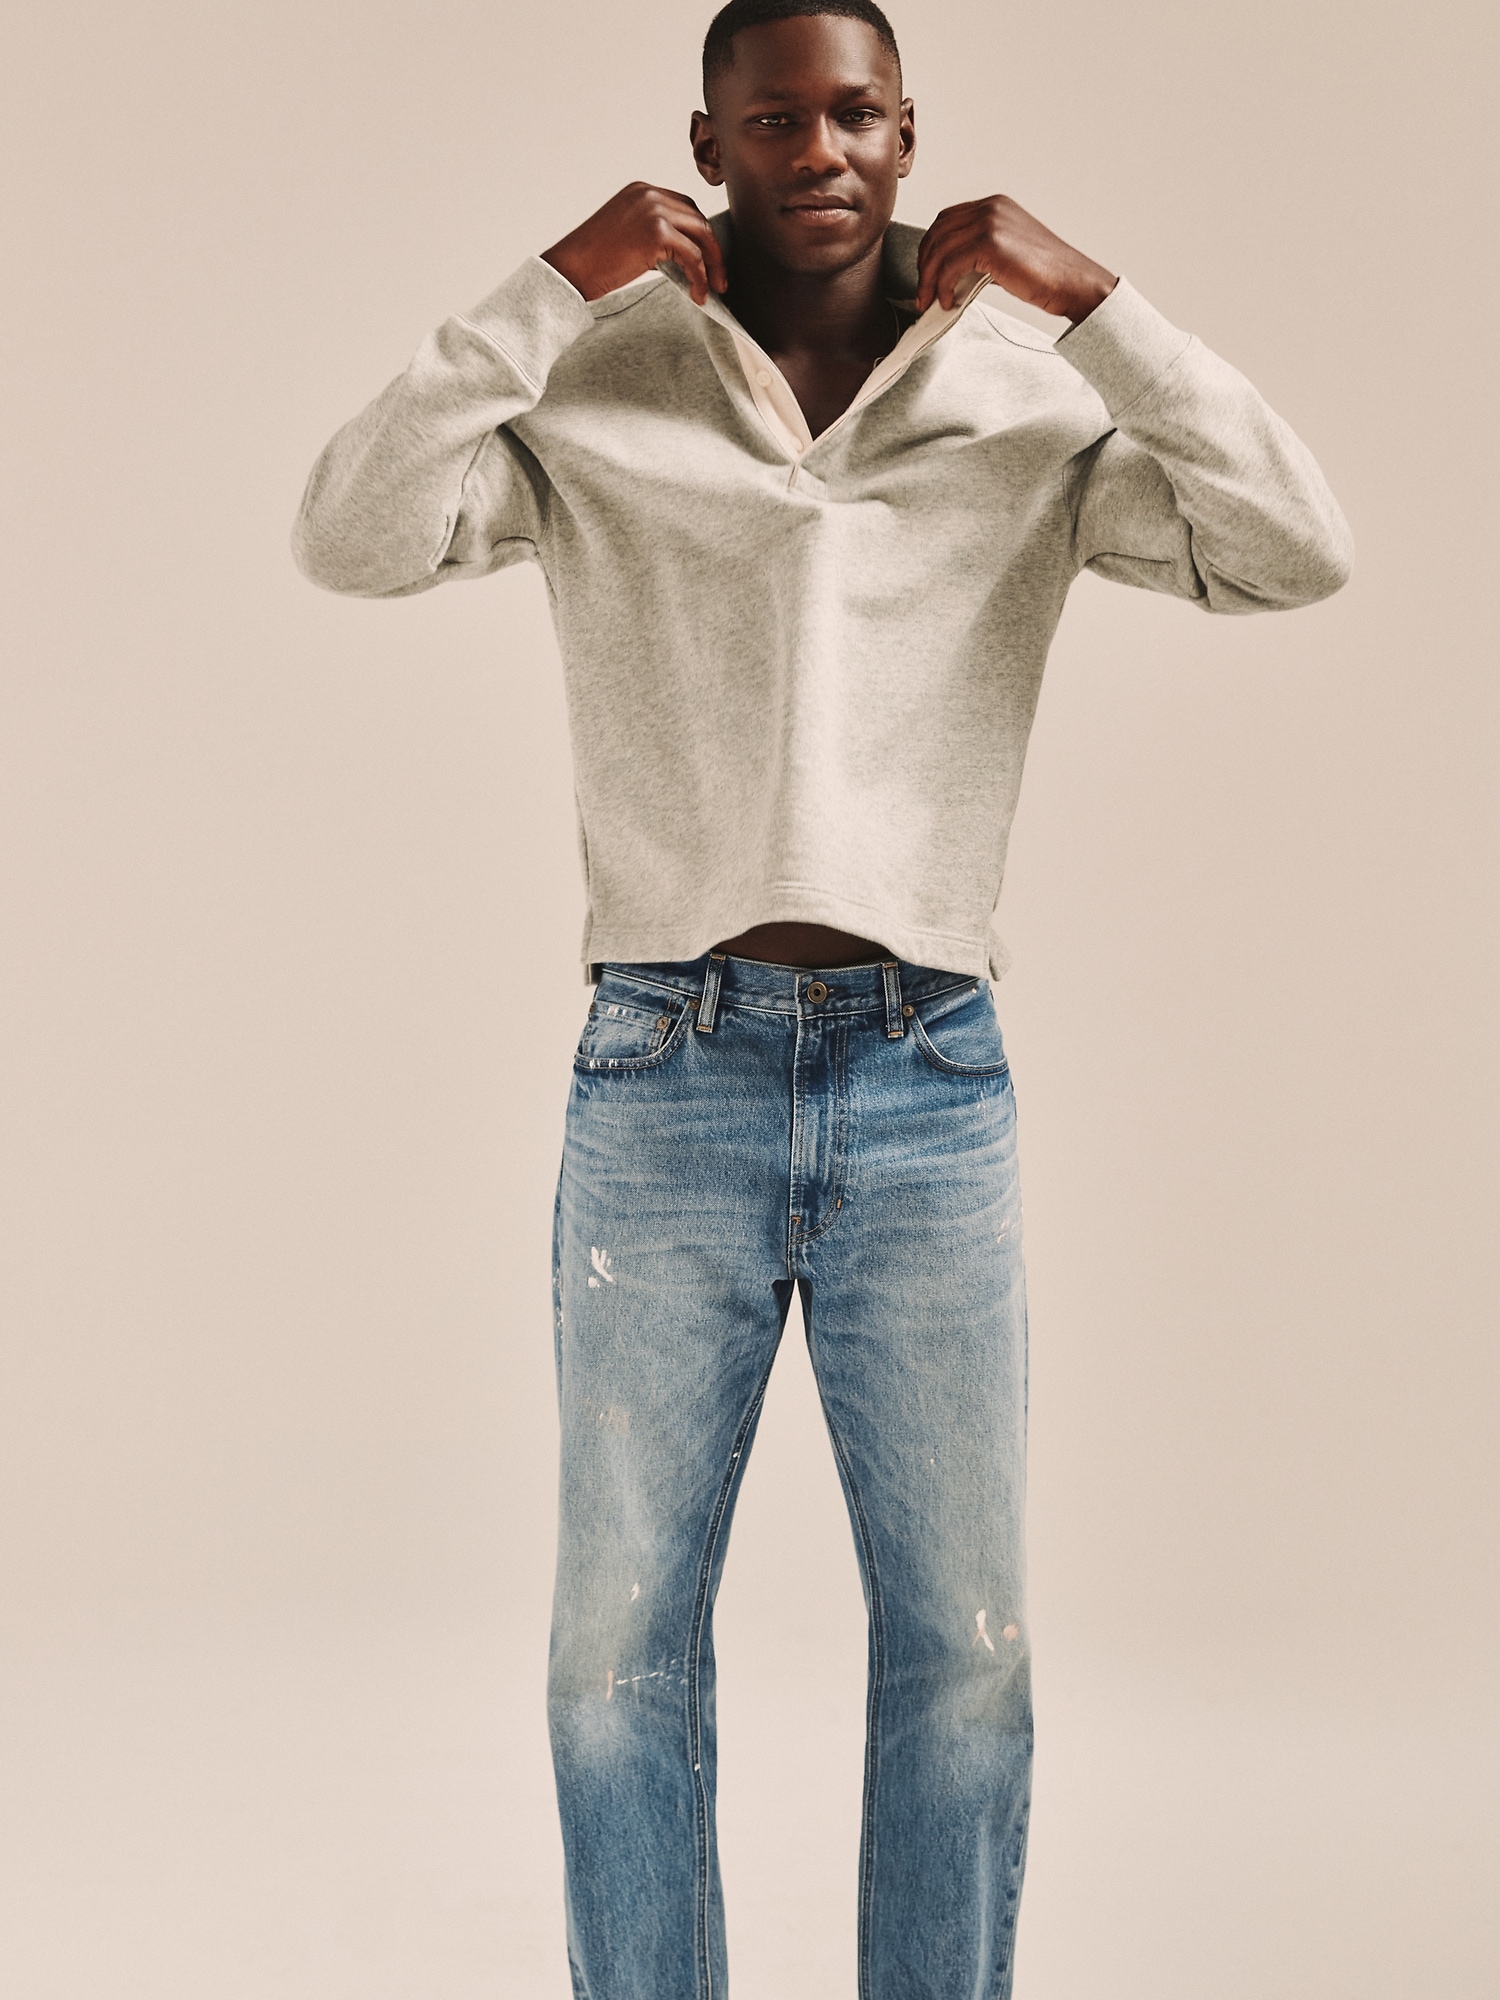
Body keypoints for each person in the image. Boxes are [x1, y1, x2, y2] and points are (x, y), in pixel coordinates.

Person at [292, 0, 1351, 1992]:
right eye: (774, 119)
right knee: (614, 1654)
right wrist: (549, 286)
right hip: (664, 1065)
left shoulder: (1022, 403)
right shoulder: (603, 384)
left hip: (928, 1073)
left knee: (965, 1653)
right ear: (707, 144)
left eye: (856, 113)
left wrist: (1099, 306)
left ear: (909, 131)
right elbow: (350, 531)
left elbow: (1296, 545)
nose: (822, 151)